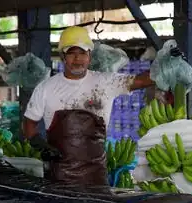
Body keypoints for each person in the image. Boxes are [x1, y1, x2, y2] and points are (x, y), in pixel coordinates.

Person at [23, 26, 178, 185]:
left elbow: (141, 80)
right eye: (71, 53)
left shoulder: (105, 82)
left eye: (82, 53)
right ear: (63, 56)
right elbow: (29, 122)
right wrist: (39, 144)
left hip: (95, 174)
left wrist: (169, 64)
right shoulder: (46, 88)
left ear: (89, 56)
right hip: (57, 175)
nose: (77, 59)